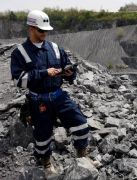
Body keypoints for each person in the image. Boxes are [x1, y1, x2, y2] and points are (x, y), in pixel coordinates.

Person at [11, 10, 94, 180]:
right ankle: (46, 163)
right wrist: (43, 73)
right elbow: (19, 81)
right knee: (42, 137)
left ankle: (82, 157)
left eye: (46, 30)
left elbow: (68, 69)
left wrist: (70, 74)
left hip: (59, 97)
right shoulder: (20, 53)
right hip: (38, 101)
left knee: (82, 125)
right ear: (31, 28)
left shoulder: (56, 48)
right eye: (41, 30)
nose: (45, 33)